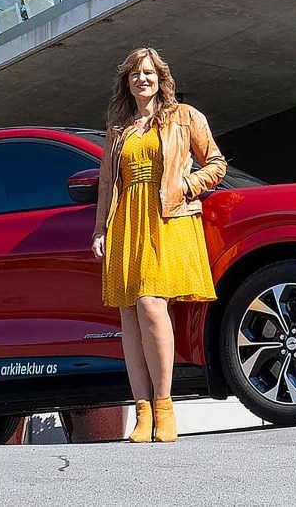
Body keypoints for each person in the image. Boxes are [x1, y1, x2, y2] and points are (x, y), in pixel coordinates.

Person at [91, 47, 225, 443]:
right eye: (135, 74)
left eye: (148, 72)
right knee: (129, 316)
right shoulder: (119, 130)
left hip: (167, 217)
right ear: (126, 82)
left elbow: (216, 163)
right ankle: (142, 412)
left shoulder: (185, 117)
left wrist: (187, 185)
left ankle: (165, 407)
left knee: (151, 305)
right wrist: (100, 228)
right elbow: (104, 185)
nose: (142, 79)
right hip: (126, 222)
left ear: (160, 78)